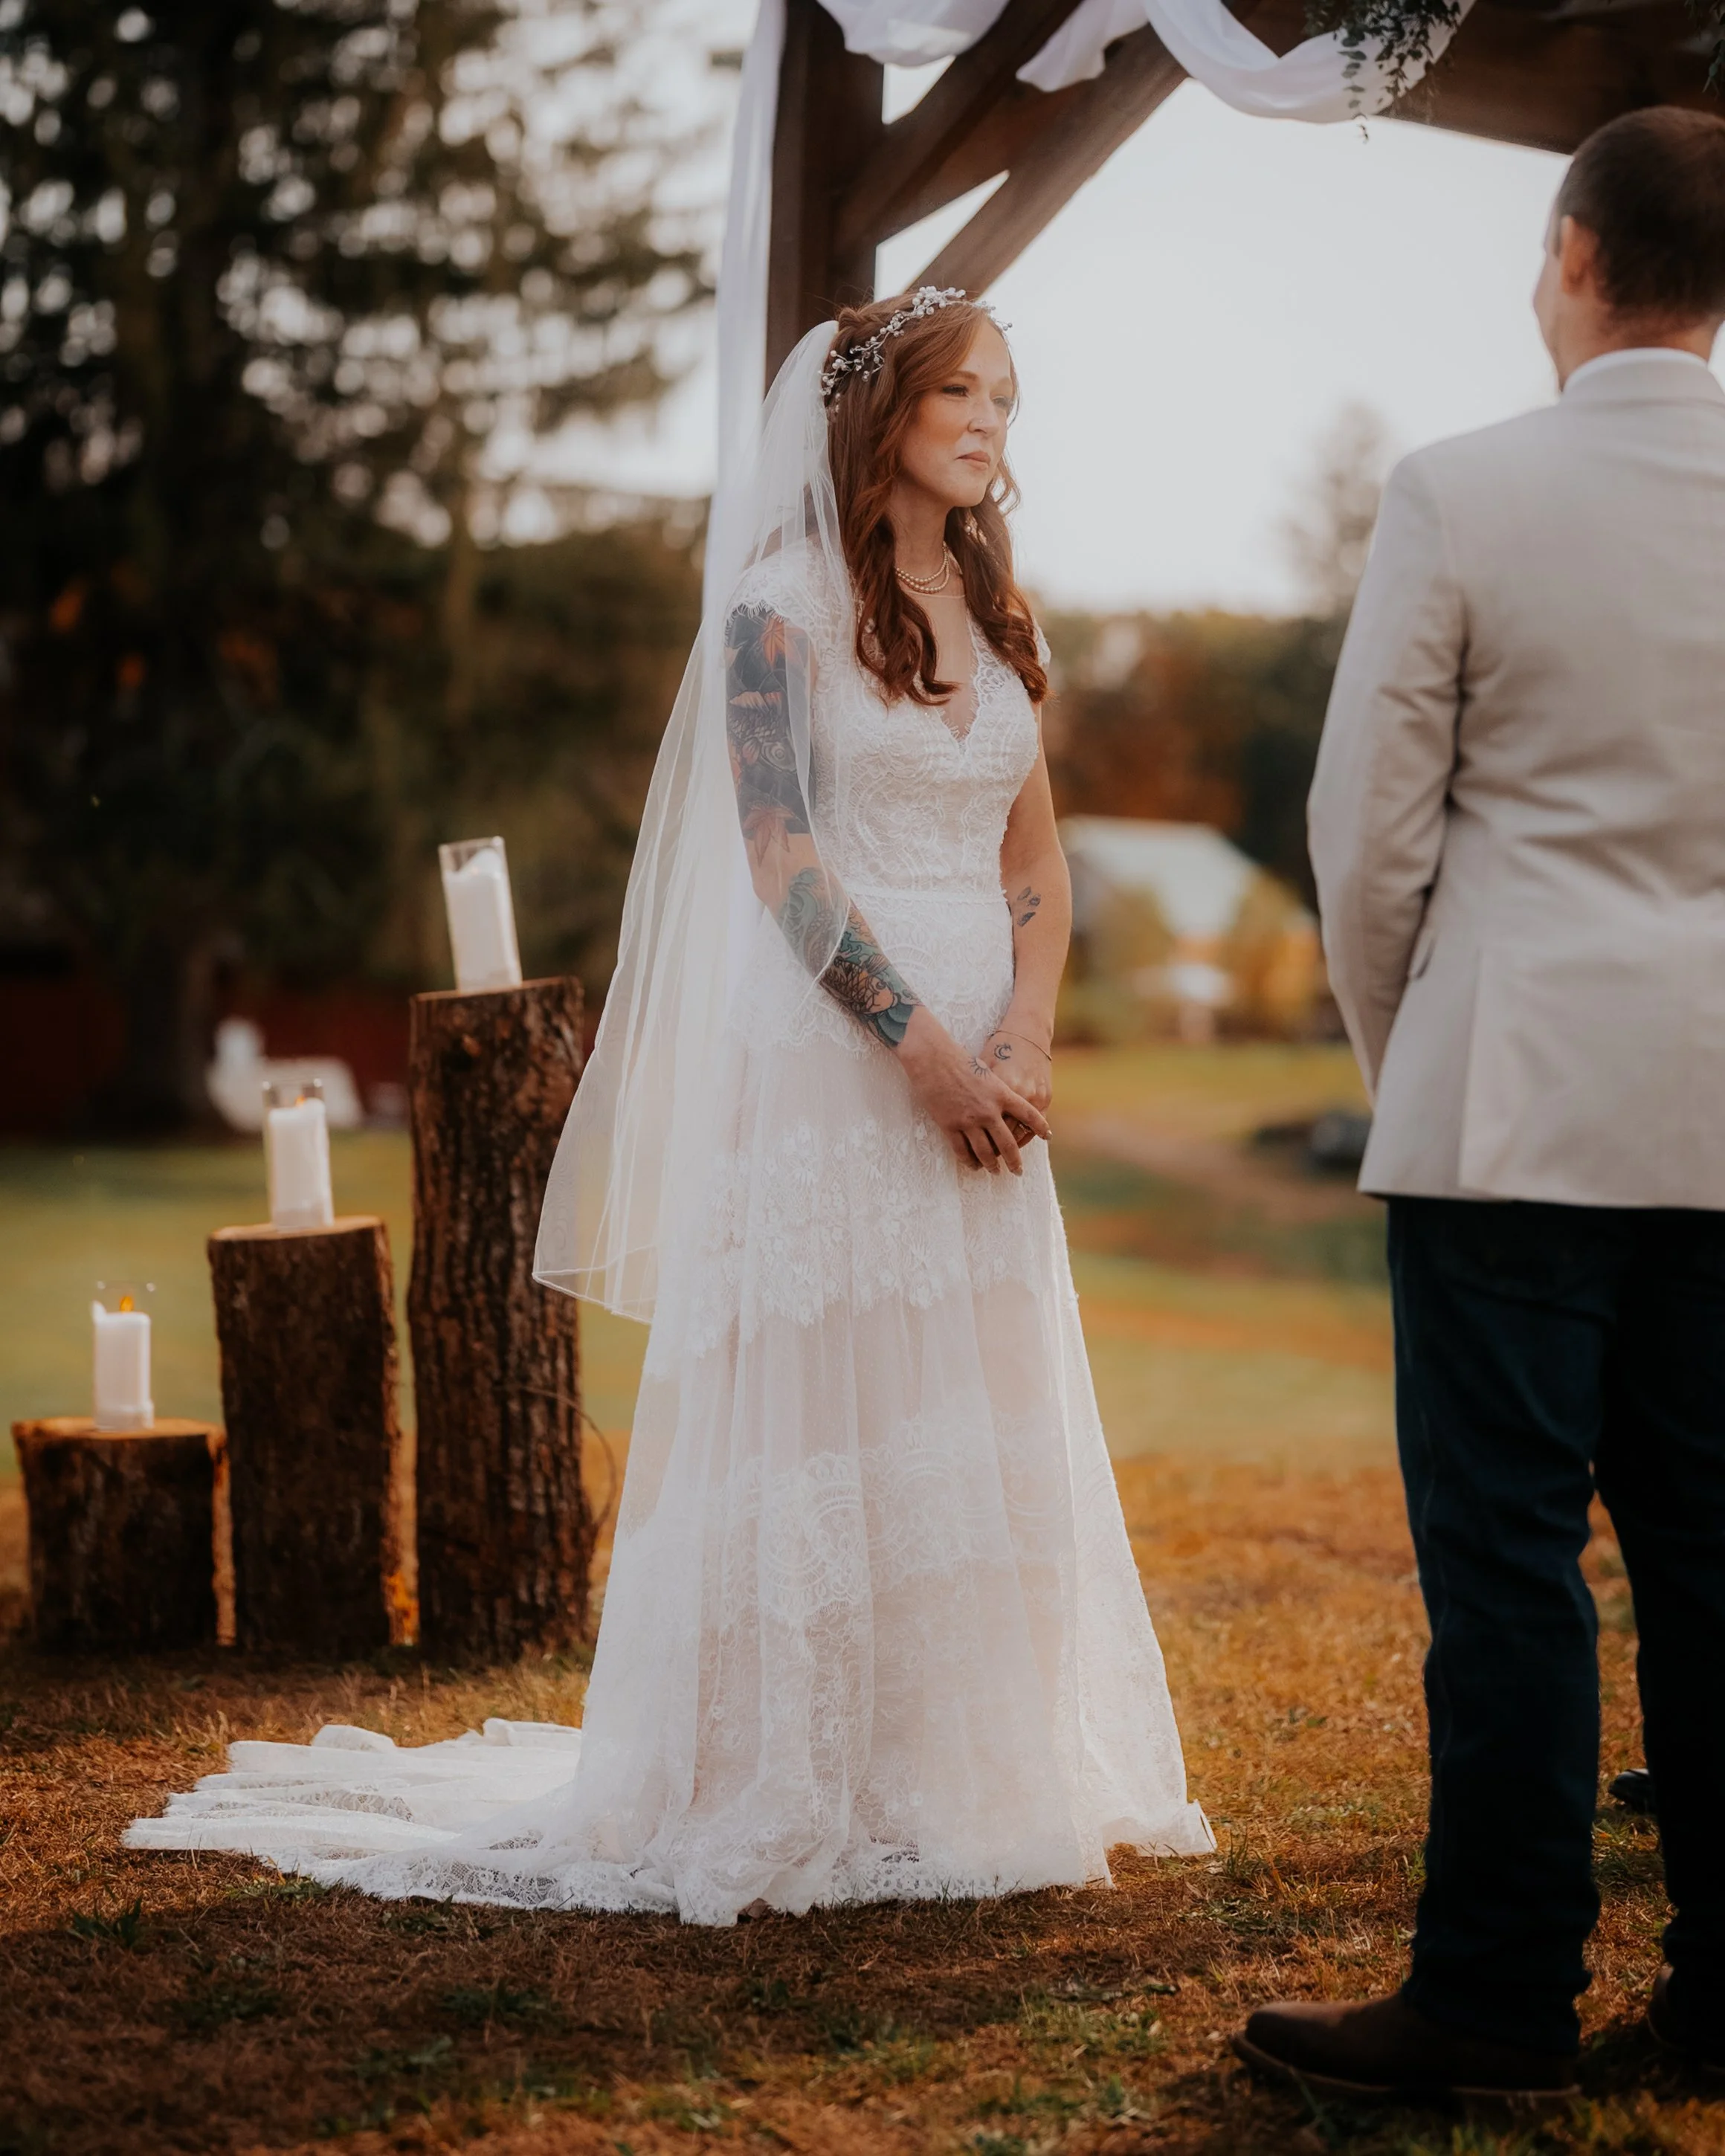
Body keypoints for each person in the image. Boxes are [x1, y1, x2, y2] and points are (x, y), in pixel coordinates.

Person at [127, 291, 1211, 1921]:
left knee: (972, 1407)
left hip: (994, 1077)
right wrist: (919, 1051)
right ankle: (795, 1770)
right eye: (960, 393)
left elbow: (1035, 862)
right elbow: (780, 860)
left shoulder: (997, 613)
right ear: (879, 417)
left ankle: (964, 1764)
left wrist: (1025, 1040)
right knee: (830, 1405)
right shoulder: (774, 612)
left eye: (1005, 396)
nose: (992, 422)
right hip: (841, 1072)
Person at [1235, 107, 1725, 2105]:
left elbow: (1366, 837)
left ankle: (1498, 1996)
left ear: (1574, 254)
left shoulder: (1461, 489)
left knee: (1510, 1560)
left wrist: (1402, 1055)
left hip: (1509, 1100)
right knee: (1713, 1555)